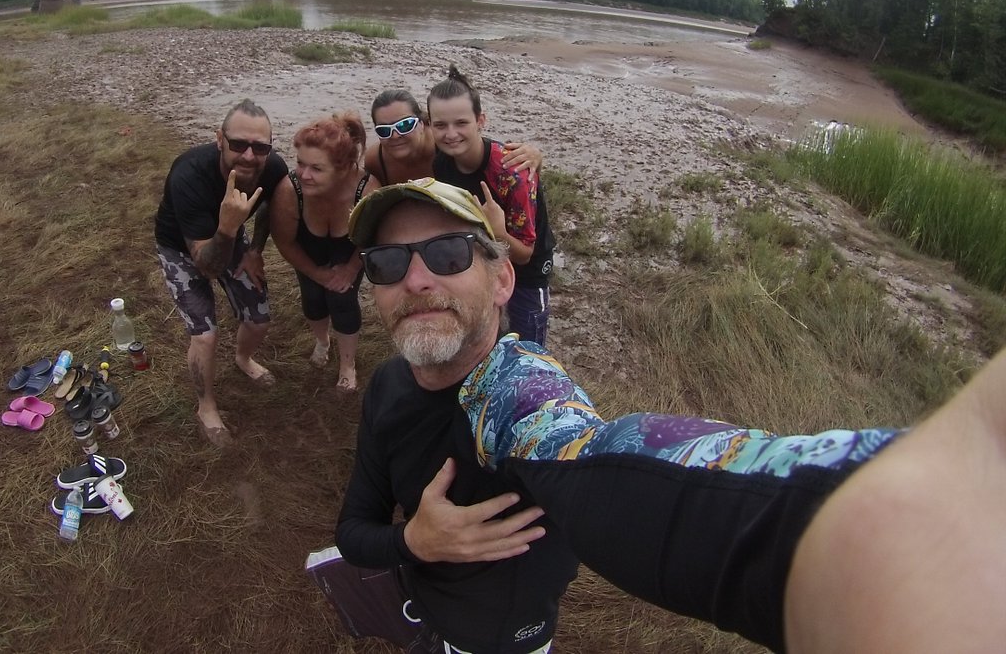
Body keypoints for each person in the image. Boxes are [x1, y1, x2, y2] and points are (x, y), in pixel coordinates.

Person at [312, 178, 1006, 653]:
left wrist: (845, 526)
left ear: (501, 279)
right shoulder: (387, 386)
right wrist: (416, 545)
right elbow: (355, 527)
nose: (416, 278)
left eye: (445, 252)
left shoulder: (515, 394)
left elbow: (603, 458)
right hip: (426, 601)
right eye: (387, 262)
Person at [153, 98, 287, 447]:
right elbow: (206, 267)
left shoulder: (272, 168)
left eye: (260, 147)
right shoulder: (189, 174)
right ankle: (206, 406)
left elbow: (272, 203)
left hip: (232, 235)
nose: (248, 155)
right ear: (219, 139)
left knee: (258, 318)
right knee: (205, 334)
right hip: (184, 249)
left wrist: (255, 248)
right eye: (238, 144)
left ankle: (243, 358)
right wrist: (227, 228)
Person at [428, 66, 556, 344]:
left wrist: (498, 230)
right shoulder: (441, 161)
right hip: (483, 259)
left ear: (480, 121)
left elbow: (524, 254)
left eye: (461, 123)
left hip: (526, 271)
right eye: (440, 125)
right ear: (430, 125)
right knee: (483, 338)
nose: (451, 134)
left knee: (526, 347)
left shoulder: (513, 172)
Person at [270, 112, 380, 392]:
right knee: (313, 299)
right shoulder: (289, 190)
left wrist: (351, 269)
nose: (303, 175)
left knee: (342, 300)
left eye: (316, 169)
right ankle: (322, 341)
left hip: (352, 252)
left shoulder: (367, 191)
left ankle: (348, 363)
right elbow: (285, 243)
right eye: (300, 164)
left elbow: (372, 238)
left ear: (343, 168)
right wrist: (316, 273)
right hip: (308, 251)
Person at [365, 88, 542, 186]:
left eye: (404, 125)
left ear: (421, 123)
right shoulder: (375, 160)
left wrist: (535, 157)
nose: (395, 135)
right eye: (384, 130)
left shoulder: (446, 145)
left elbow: (482, 153)